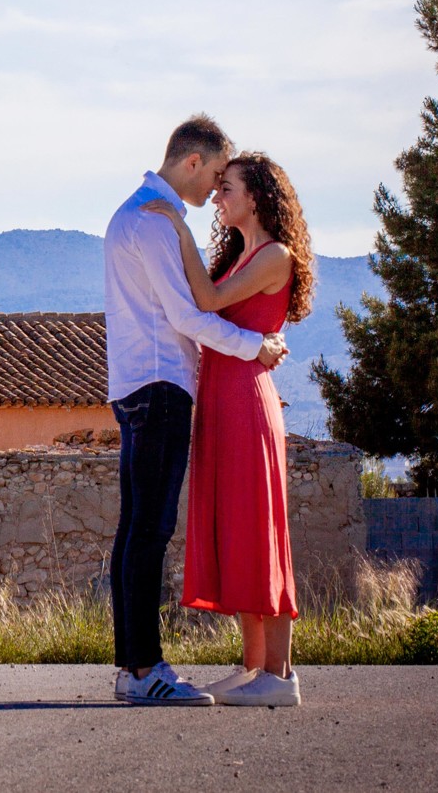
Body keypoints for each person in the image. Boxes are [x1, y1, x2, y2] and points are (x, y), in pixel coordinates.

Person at [105, 115, 287, 706]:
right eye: (213, 175)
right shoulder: (157, 223)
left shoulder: (131, 214)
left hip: (136, 386)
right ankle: (145, 671)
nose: (214, 190)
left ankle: (132, 668)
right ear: (191, 162)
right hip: (160, 388)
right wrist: (255, 347)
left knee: (136, 530)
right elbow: (189, 315)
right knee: (149, 531)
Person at [143, 150, 316, 708]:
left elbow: (208, 301)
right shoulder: (244, 255)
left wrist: (178, 228)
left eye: (228, 189)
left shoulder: (275, 255)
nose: (217, 198)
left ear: (258, 197)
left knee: (258, 527)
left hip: (245, 400)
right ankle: (254, 668)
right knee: (238, 528)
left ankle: (280, 674)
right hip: (221, 398)